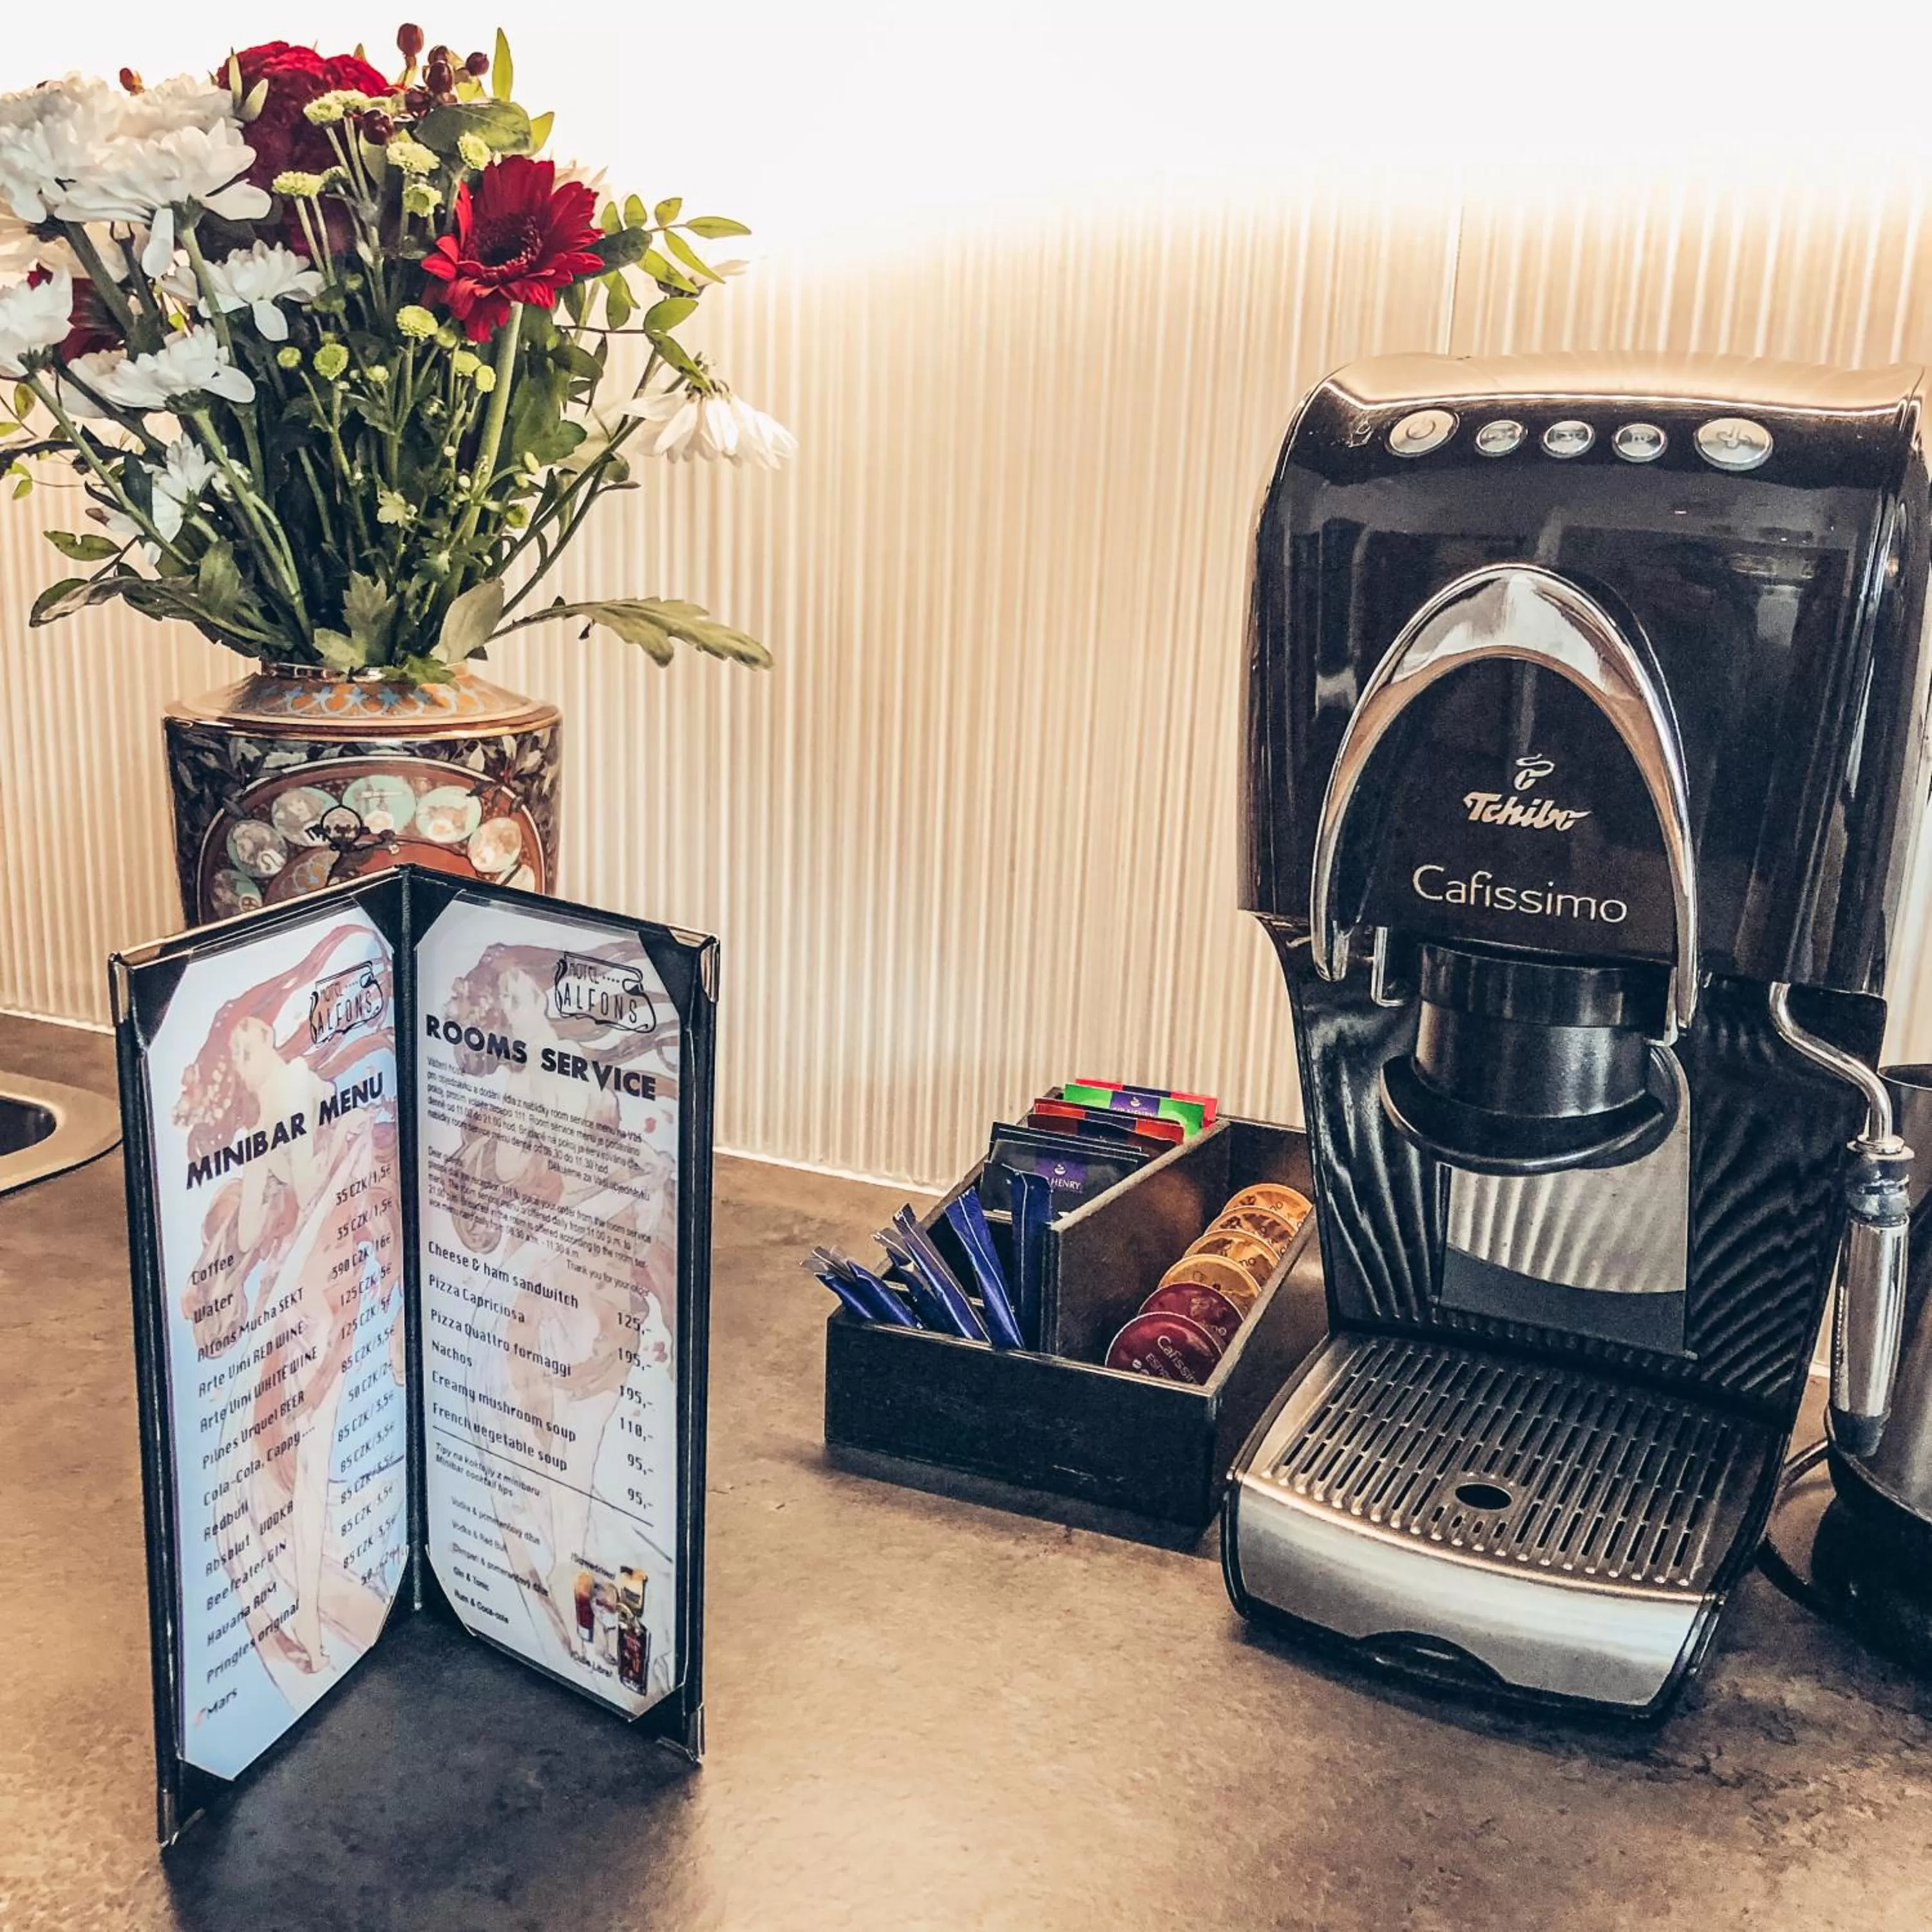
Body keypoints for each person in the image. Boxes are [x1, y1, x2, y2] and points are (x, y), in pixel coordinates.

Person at [428, 942, 677, 1683]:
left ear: (544, 1000)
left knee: (579, 1479)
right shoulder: (509, 1098)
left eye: (523, 994)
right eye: (505, 998)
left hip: (593, 1293)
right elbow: (489, 1213)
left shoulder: (588, 1089)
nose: (515, 1008)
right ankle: (586, 1642)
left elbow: (642, 1184)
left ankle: (621, 1652)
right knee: (523, 1477)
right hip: (529, 1298)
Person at [176, 925, 406, 1697]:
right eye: (234, 1054)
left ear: (268, 1035)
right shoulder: (283, 1102)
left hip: (310, 1287)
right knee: (287, 1453)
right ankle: (306, 1616)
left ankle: (307, 1618)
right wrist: (232, 1263)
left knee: (295, 1453)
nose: (243, 1059)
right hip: (302, 1285)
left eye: (247, 1044)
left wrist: (261, 1230)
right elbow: (257, 1223)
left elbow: (303, 1192)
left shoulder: (294, 1093)